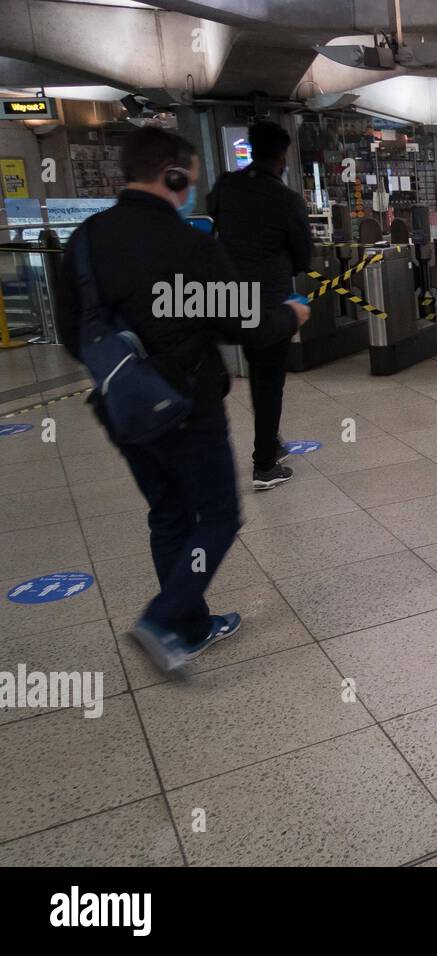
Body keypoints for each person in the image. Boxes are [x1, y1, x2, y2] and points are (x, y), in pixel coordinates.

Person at [56, 126, 309, 672]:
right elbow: (245, 323)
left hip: (122, 405)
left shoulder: (85, 241)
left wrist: (129, 366)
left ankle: (191, 627)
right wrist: (290, 314)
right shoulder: (189, 245)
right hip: (188, 406)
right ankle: (163, 617)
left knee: (168, 513)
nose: (191, 190)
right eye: (188, 180)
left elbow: (70, 331)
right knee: (218, 515)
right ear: (173, 174)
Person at [208, 121, 312, 490]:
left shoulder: (225, 186)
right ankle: (265, 464)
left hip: (231, 293)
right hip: (270, 300)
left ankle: (269, 444)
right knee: (269, 380)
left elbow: (210, 225)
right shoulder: (286, 199)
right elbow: (303, 254)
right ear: (282, 156)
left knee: (253, 373)